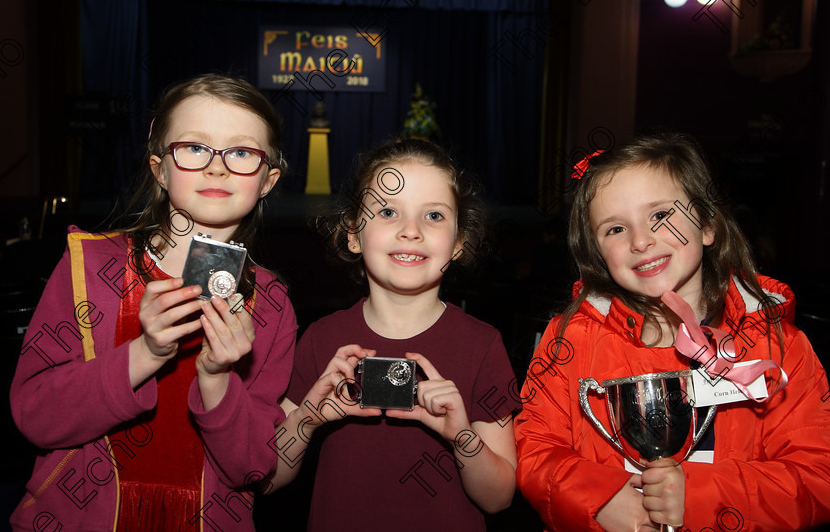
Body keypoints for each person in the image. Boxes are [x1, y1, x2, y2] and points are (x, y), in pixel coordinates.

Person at [9, 73, 297, 531]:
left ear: (267, 180)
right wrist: (145, 353)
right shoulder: (90, 268)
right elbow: (36, 417)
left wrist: (217, 379)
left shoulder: (272, 302)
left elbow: (252, 467)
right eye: (194, 147)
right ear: (159, 168)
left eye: (242, 152)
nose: (217, 167)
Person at [514, 132, 830, 531]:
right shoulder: (571, 340)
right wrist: (598, 499)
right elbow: (535, 447)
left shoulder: (776, 346)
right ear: (596, 253)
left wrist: (701, 496)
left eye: (661, 215)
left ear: (707, 225)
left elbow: (817, 474)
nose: (641, 240)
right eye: (615, 229)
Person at [266, 138, 519, 531]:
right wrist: (306, 419)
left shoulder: (483, 344)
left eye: (433, 216)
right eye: (388, 211)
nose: (411, 231)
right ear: (353, 234)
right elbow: (268, 479)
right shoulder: (321, 337)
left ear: (457, 242)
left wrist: (462, 436)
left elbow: (498, 497)